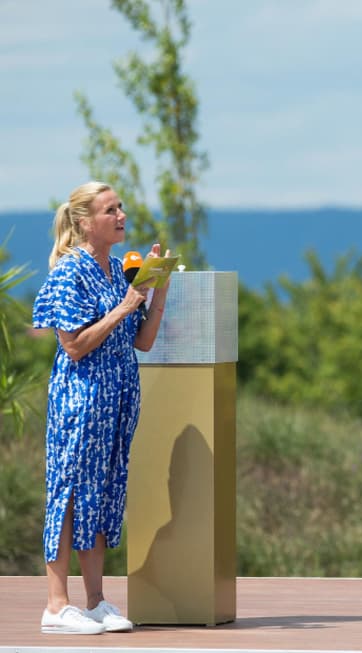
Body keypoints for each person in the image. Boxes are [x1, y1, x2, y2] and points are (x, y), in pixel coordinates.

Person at [32, 181, 171, 635]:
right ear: (84, 222)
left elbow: (143, 342)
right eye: (110, 210)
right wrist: (124, 307)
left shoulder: (115, 270)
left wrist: (156, 288)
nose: (121, 216)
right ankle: (57, 605)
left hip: (118, 399)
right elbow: (74, 346)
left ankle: (95, 602)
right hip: (81, 398)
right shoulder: (69, 272)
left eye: (121, 208)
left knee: (105, 492)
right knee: (70, 490)